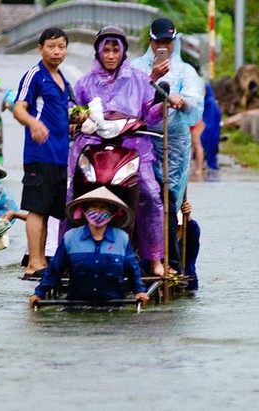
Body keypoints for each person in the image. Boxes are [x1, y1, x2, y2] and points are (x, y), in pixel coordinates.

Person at [70, 25, 166, 277]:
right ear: (98, 52)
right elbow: (73, 110)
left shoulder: (139, 79)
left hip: (134, 150)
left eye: (116, 50)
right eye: (106, 50)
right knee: (72, 192)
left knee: (150, 193)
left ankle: (154, 258)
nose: (111, 55)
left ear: (123, 52)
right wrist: (77, 118)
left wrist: (164, 104)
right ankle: (66, 254)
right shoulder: (84, 82)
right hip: (93, 149)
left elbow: (149, 113)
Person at [131, 18, 204, 274]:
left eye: (168, 42)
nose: (164, 46)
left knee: (168, 199)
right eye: (159, 41)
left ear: (175, 42)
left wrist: (181, 102)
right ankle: (138, 254)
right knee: (140, 195)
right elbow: (130, 96)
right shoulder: (136, 68)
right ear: (151, 42)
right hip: (141, 138)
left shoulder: (185, 72)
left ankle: (169, 259)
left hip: (173, 143)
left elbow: (196, 103)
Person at [12, 27, 72, 278]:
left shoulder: (64, 80)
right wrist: (33, 123)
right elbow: (18, 109)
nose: (56, 51)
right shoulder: (35, 75)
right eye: (51, 46)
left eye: (61, 46)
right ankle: (33, 263)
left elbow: (70, 113)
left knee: (50, 210)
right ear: (40, 48)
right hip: (39, 154)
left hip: (60, 155)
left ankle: (42, 262)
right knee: (37, 209)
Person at [29, 187, 150, 306]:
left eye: (103, 208)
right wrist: (39, 293)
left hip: (113, 306)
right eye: (94, 207)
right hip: (76, 305)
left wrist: (139, 291)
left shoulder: (121, 238)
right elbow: (55, 270)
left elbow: (133, 269)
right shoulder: (71, 238)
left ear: (112, 213)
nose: (98, 211)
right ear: (85, 210)